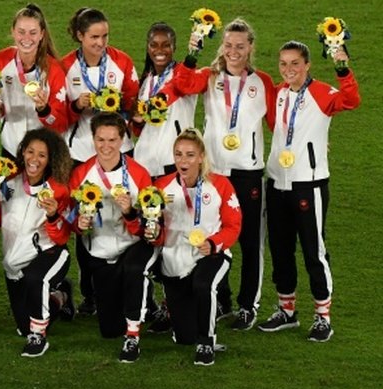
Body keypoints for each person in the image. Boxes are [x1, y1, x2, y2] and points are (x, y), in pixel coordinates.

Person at [166, 18, 275, 330]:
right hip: (214, 174)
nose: (234, 51)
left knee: (251, 240)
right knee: (215, 235)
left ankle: (247, 305)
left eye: (240, 46)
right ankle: (223, 298)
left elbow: (277, 123)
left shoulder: (262, 82)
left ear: (250, 47)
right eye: (228, 45)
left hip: (249, 172)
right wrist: (191, 53)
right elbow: (182, 84)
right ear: (222, 46)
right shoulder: (210, 76)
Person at [258, 41, 360, 342]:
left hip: (309, 183)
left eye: (295, 64)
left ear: (307, 65)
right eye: (283, 64)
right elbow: (277, 128)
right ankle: (286, 311)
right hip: (276, 182)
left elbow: (351, 100)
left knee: (314, 251)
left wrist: (342, 66)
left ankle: (322, 316)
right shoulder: (277, 94)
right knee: (280, 248)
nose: (288, 70)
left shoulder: (321, 93)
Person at [60, 7, 139, 316]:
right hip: (80, 154)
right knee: (86, 222)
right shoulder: (65, 66)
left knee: (124, 215)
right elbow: (56, 114)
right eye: (94, 37)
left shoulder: (121, 62)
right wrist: (75, 105)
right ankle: (90, 294)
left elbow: (135, 106)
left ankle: (126, 284)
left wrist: (121, 106)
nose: (101, 42)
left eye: (105, 36)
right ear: (80, 36)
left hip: (120, 151)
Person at [151, 129, 241, 366]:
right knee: (183, 337)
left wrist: (214, 244)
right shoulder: (161, 187)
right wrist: (153, 231)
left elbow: (233, 225)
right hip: (175, 262)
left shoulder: (220, 185)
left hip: (210, 255)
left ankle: (207, 343)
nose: (183, 161)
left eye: (190, 155)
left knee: (205, 285)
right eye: (178, 154)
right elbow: (154, 228)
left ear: (201, 157)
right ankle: (192, 327)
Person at [70, 113, 156, 362]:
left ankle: (133, 335)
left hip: (132, 246)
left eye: (112, 140)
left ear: (122, 140)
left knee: (133, 271)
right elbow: (72, 222)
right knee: (109, 329)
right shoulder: (82, 173)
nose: (106, 146)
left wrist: (129, 212)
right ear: (93, 139)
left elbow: (148, 227)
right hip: (99, 250)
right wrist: (80, 224)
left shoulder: (139, 174)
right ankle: (139, 304)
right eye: (100, 140)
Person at [0, 127, 74, 358]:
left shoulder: (60, 190)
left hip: (49, 253)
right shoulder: (8, 180)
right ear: (22, 152)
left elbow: (63, 235)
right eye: (30, 152)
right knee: (23, 326)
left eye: (42, 155)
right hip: (13, 261)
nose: (34, 159)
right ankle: (61, 296)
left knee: (37, 280)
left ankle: (38, 337)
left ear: (50, 159)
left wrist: (54, 215)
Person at [0, 4, 68, 159]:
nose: (26, 39)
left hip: (43, 155)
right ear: (13, 32)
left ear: (41, 35)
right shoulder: (1, 60)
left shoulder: (54, 70)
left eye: (33, 33)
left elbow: (60, 124)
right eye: (21, 32)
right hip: (11, 150)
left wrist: (44, 109)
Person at [130, 22, 197, 178]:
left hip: (173, 162)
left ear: (174, 47)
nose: (159, 51)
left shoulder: (183, 74)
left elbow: (185, 82)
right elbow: (142, 128)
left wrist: (193, 52)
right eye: (154, 45)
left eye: (166, 45)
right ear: (148, 48)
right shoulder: (147, 82)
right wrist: (138, 121)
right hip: (144, 163)